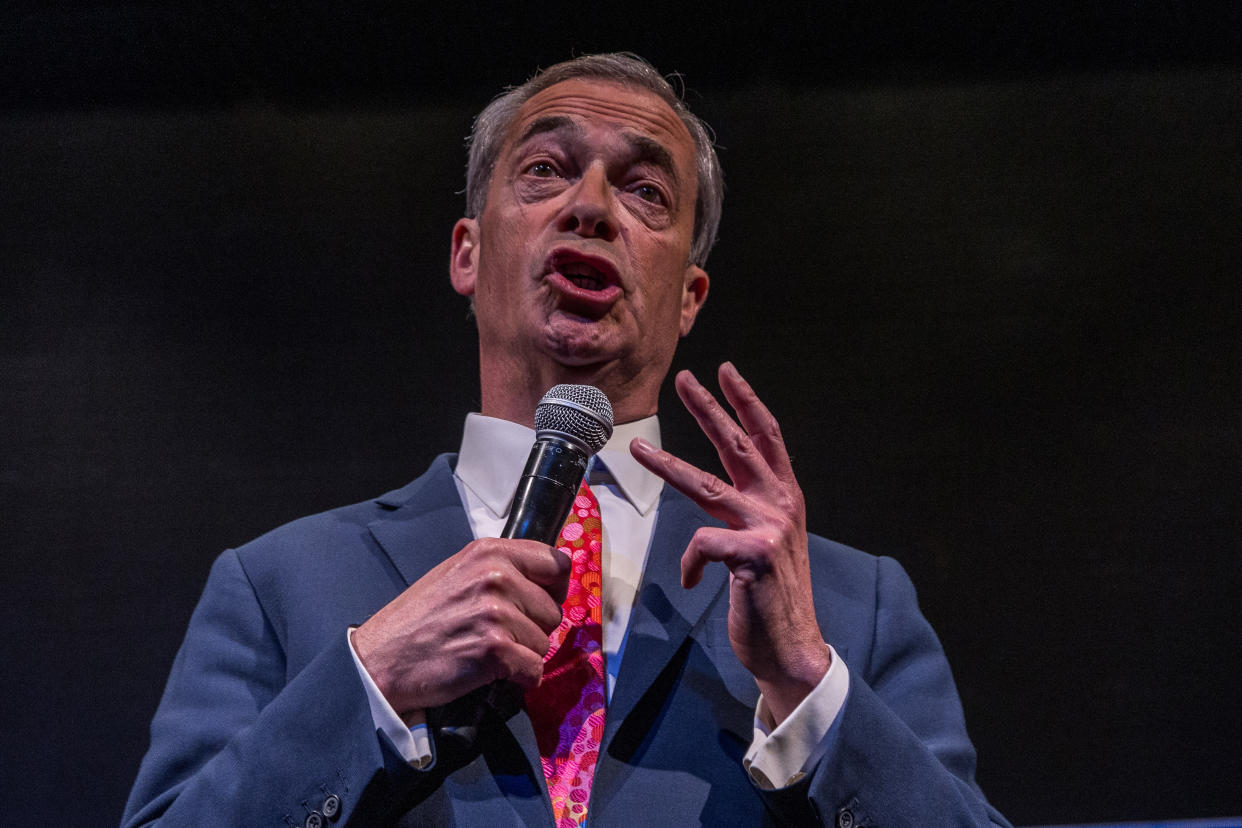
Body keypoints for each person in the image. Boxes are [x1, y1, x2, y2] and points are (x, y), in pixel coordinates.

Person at [123, 53, 1008, 827]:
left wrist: (812, 690)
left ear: (691, 296)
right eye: (546, 170)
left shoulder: (851, 608)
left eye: (645, 191)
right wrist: (373, 678)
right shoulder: (279, 587)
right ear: (467, 254)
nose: (590, 207)